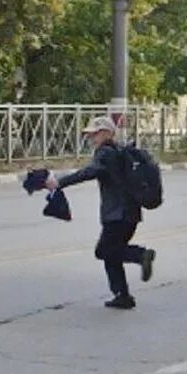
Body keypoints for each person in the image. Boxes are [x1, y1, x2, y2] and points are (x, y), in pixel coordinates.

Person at [46, 116, 156, 310]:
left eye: (94, 134)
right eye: (90, 135)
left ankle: (141, 255)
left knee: (104, 250)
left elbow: (90, 172)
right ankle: (122, 296)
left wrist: (60, 182)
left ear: (107, 133)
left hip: (117, 214)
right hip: (130, 213)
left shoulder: (105, 153)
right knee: (112, 252)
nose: (91, 139)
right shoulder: (120, 151)